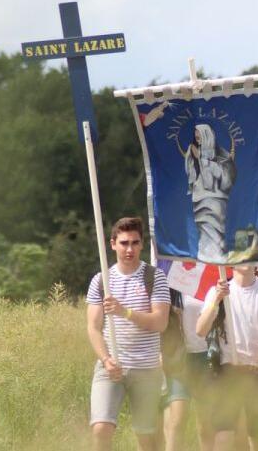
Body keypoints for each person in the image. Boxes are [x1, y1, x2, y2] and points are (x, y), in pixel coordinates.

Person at [85, 217, 171, 451]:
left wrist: (125, 312)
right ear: (113, 244)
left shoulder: (154, 278)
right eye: (124, 243)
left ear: (142, 244)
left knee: (148, 438)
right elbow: (93, 328)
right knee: (101, 429)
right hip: (111, 365)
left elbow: (160, 322)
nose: (129, 249)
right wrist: (106, 360)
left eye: (134, 243)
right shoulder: (102, 280)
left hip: (146, 368)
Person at [195, 265, 258, 451]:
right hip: (228, 374)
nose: (245, 260)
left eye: (250, 255)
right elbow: (200, 330)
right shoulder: (218, 291)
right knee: (223, 437)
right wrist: (216, 300)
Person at [157, 261, 216, 451]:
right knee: (176, 420)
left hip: (206, 357)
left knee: (206, 425)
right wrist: (160, 350)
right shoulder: (171, 275)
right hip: (178, 357)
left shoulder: (211, 272)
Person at [186, 124, 236, 262]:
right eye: (196, 137)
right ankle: (205, 262)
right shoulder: (194, 151)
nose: (198, 139)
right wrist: (192, 158)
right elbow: (192, 176)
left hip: (215, 200)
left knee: (215, 231)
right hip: (199, 199)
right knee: (203, 232)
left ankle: (216, 259)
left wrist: (202, 158)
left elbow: (226, 179)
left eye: (200, 136)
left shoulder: (222, 154)